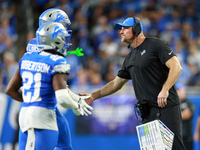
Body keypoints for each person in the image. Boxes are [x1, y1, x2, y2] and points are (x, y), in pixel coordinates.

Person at [82, 17, 185, 150]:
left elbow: (176, 67)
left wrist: (165, 89)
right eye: (121, 29)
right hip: (147, 113)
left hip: (165, 107)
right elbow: (115, 84)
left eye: (125, 28)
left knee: (174, 148)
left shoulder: (155, 44)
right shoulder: (129, 58)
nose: (121, 32)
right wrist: (93, 96)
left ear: (136, 29)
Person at [6, 22, 93, 150]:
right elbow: (62, 98)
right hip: (44, 115)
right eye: (62, 38)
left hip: (25, 113)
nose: (65, 41)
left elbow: (10, 90)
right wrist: (77, 106)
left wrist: (31, 101)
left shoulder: (27, 57)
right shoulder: (58, 62)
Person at [176, 83, 195, 150]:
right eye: (177, 90)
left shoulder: (189, 103)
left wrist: (175, 115)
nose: (178, 92)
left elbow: (187, 115)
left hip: (187, 136)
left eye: (180, 90)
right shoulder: (174, 104)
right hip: (177, 136)